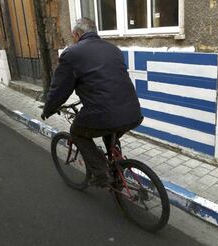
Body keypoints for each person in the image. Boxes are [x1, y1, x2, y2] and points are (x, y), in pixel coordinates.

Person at [41, 18, 143, 187]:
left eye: (73, 36)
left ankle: (102, 174)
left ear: (77, 34)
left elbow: (59, 88)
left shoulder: (71, 54)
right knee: (110, 129)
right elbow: (106, 80)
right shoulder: (114, 49)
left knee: (77, 131)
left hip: (105, 113)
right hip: (133, 113)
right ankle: (116, 166)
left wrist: (48, 109)